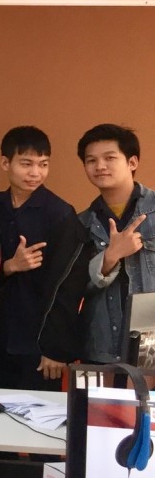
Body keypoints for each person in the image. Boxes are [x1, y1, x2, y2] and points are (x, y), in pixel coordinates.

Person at [0, 126, 77, 392]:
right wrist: (9, 267)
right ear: (5, 163)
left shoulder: (59, 213)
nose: (35, 173)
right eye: (26, 164)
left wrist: (55, 348)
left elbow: (67, 287)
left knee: (37, 413)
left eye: (43, 164)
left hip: (37, 344)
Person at [76, 124, 155, 365]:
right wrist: (109, 258)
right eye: (91, 160)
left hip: (151, 342)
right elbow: (75, 288)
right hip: (103, 345)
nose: (100, 166)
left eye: (109, 158)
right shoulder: (81, 223)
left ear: (132, 162)